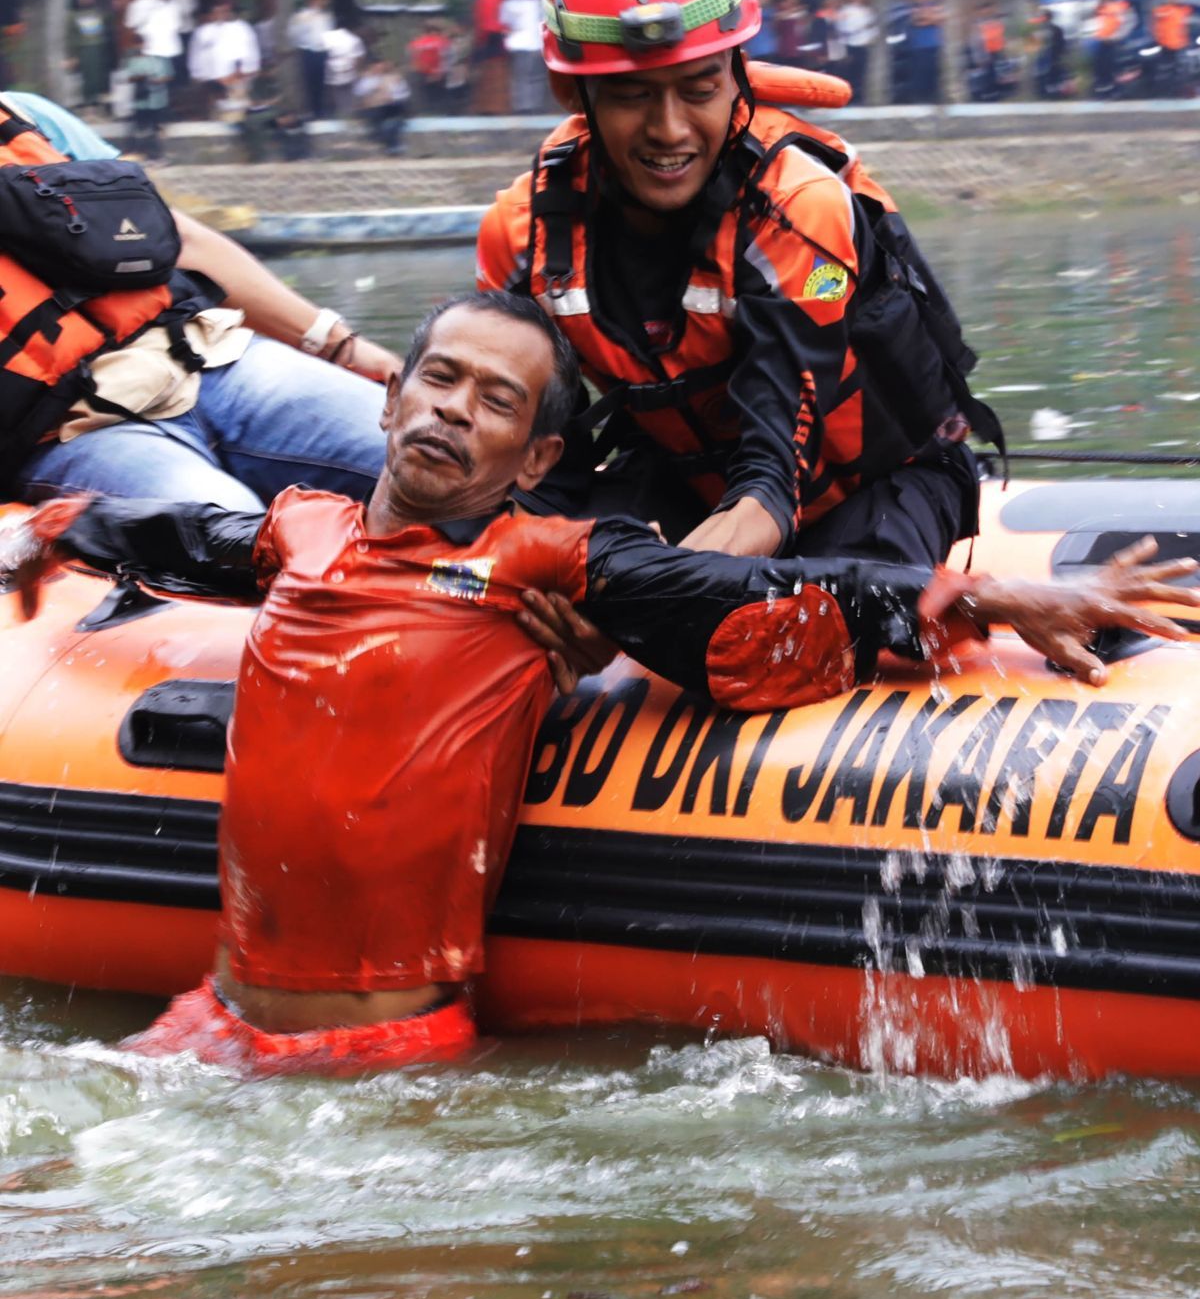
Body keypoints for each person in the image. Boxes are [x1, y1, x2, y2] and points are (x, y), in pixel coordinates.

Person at [8, 291, 1191, 1076]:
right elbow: (171, 540)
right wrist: (54, 529)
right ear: (389, 398)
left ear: (533, 463)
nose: (453, 410)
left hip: (379, 1062)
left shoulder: (547, 562)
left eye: (497, 403)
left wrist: (988, 599)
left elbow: (776, 593)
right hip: (210, 1024)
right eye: (440, 378)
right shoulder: (300, 532)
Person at [477, 0, 999, 572]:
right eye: (634, 94)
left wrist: (642, 591)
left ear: (735, 76)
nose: (669, 129)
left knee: (798, 639)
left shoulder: (799, 209)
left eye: (698, 88)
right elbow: (542, 470)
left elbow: (771, 481)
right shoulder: (520, 237)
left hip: (870, 486)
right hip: (689, 483)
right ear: (574, 94)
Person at [0, 93, 397, 513]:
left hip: (209, 357)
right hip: (76, 432)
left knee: (450, 460)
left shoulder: (22, 116)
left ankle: (457, 580)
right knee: (235, 528)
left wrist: (342, 346)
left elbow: (180, 241)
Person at [187, 0, 262, 116]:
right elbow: (195, 53)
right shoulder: (203, 31)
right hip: (210, 76)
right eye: (217, 11)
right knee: (216, 107)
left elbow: (250, 51)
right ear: (212, 13)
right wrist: (196, 73)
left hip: (236, 75)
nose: (221, 14)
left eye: (224, 11)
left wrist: (244, 71)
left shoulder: (242, 28)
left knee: (236, 107)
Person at [500, 0, 549, 113]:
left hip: (538, 44)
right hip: (519, 43)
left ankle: (535, 104)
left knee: (537, 75)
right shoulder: (510, 4)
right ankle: (521, 105)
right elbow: (506, 23)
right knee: (520, 76)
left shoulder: (541, 3)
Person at [287, 0, 334, 120]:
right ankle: (311, 109)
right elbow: (293, 33)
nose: (321, 2)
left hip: (322, 52)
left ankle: (320, 109)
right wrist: (302, 45)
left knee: (321, 81)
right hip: (308, 51)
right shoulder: (301, 16)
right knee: (309, 81)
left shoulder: (326, 16)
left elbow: (329, 33)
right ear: (312, 0)